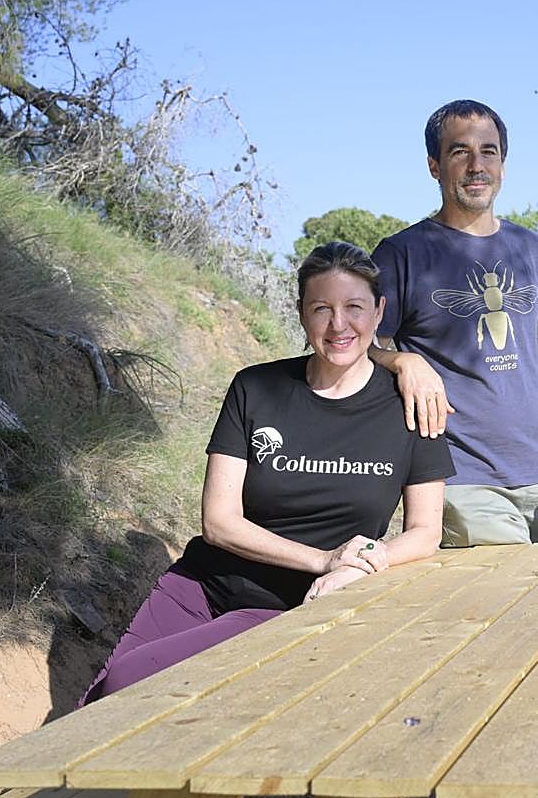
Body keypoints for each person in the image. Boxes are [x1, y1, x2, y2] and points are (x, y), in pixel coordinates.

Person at [79, 242, 454, 704]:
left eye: (354, 308)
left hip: (291, 606)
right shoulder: (255, 387)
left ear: (379, 312)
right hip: (200, 587)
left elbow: (425, 531)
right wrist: (324, 558)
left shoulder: (411, 403)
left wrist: (364, 563)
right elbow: (219, 522)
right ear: (301, 314)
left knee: (128, 687)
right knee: (97, 701)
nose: (338, 325)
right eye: (321, 309)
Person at [369, 99, 538, 548]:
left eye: (489, 151)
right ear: (434, 165)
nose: (476, 166)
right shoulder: (402, 254)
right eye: (460, 152)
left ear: (503, 164)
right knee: (507, 591)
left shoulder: (531, 247)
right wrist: (401, 361)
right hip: (459, 476)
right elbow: (353, 343)